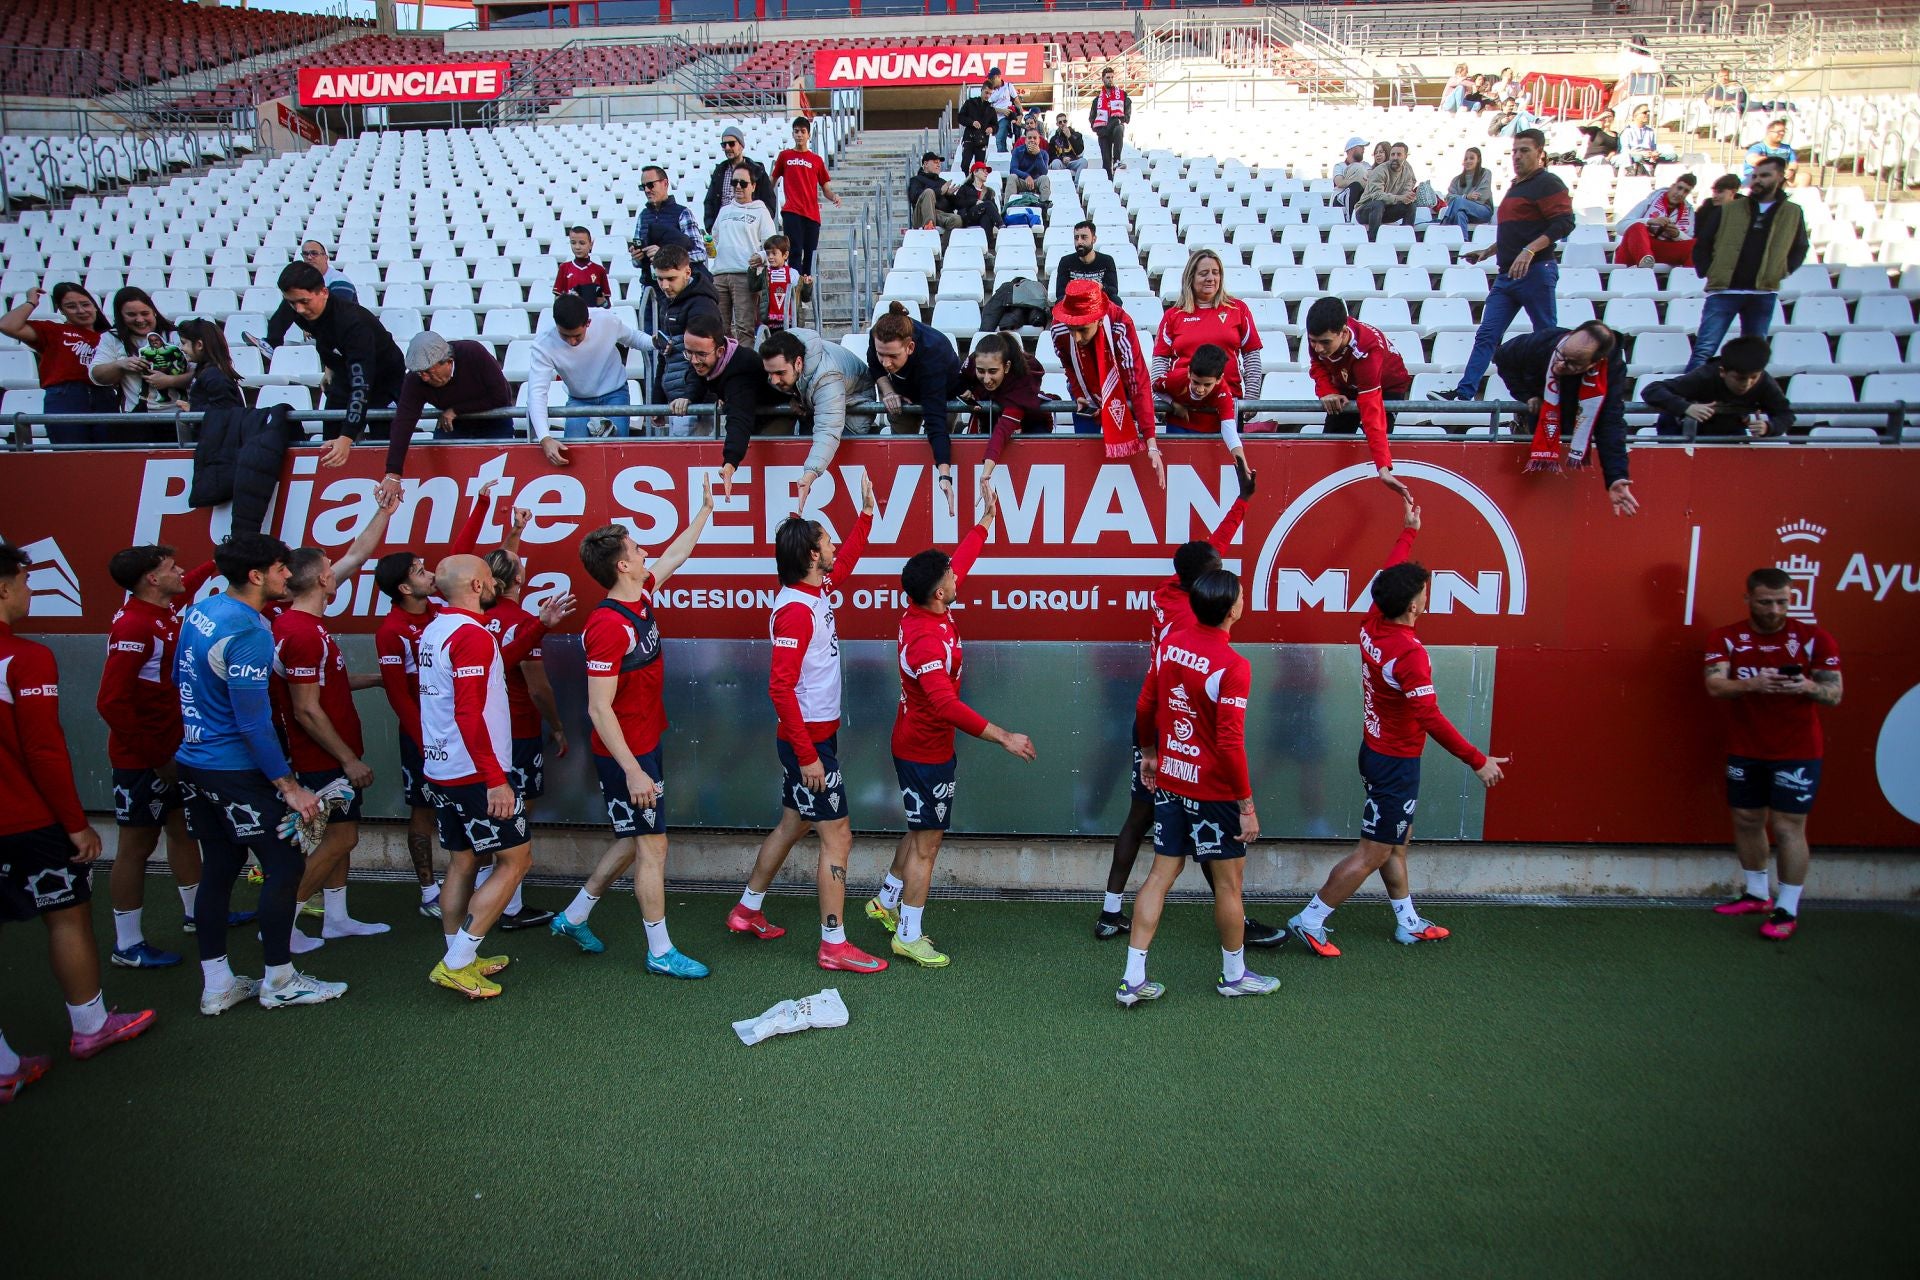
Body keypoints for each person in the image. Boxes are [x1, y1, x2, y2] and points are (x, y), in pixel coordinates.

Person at [1287, 498, 1508, 959]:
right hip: (1395, 763)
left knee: (1394, 843)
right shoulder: (1409, 654)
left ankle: (1408, 922)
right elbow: (1429, 717)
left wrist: (1408, 532)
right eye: (1424, 592)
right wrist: (1477, 760)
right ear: (1412, 604)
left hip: (1379, 752)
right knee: (1373, 851)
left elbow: (1387, 572)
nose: (1427, 596)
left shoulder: (1373, 620)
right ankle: (1310, 920)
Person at [1096, 460, 1279, 947]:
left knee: (1151, 824)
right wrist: (1156, 746)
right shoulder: (1187, 620)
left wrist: (1243, 501)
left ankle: (1114, 911)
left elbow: (1211, 547)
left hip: (1160, 727)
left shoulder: (1174, 585)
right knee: (1173, 825)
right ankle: (1123, 911)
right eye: (1217, 575)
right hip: (1175, 729)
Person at [0, 541, 156, 1101]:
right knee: (66, 918)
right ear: (3, 588)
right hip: (28, 822)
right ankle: (90, 1027)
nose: (28, 592)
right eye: (23, 581)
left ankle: (3, 1064)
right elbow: (43, 749)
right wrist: (76, 824)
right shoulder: (25, 657)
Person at [862, 491, 1035, 968]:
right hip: (924, 752)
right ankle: (909, 935)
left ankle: (885, 901)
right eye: (951, 578)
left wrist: (984, 522)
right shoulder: (923, 639)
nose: (959, 576)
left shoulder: (929, 609)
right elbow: (944, 704)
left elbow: (959, 561)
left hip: (921, 747)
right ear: (939, 592)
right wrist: (1004, 737)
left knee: (921, 829)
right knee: (929, 844)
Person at [173, 532, 339, 1013]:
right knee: (285, 865)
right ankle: (280, 981)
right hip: (234, 770)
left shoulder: (202, 609)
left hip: (195, 761)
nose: (289, 576)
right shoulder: (248, 631)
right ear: (256, 575)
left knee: (220, 869)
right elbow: (252, 719)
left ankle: (218, 984)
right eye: (282, 568)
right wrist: (287, 785)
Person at [726, 476, 888, 973]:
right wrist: (809, 756)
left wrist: (866, 515)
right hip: (809, 744)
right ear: (812, 556)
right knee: (838, 837)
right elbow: (780, 689)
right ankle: (833, 944)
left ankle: (746, 910)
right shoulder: (796, 611)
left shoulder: (815, 592)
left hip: (814, 739)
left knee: (794, 823)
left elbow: (851, 559)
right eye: (828, 540)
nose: (835, 545)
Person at [549, 496, 715, 972]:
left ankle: (574, 915)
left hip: (645, 745)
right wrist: (633, 771)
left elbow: (675, 556)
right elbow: (598, 709)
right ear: (623, 564)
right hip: (627, 757)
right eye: (639, 549)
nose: (647, 554)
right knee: (652, 844)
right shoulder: (607, 626)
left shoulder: (640, 596)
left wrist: (705, 510)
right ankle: (661, 952)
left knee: (633, 837)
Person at [418, 553, 573, 999]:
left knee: (465, 860)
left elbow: (491, 665)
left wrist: (539, 625)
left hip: (444, 768)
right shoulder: (468, 635)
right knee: (517, 859)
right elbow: (468, 713)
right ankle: (457, 961)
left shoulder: (440, 629)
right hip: (473, 773)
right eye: (487, 578)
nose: (493, 584)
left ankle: (457, 956)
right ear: (475, 586)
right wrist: (495, 779)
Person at [1121, 567, 1277, 1005]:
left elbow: (1145, 703)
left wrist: (1150, 752)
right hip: (1214, 792)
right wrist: (1246, 803)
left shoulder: (1171, 644)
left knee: (1159, 874)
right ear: (1232, 610)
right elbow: (1229, 744)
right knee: (1228, 887)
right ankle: (1234, 976)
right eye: (1242, 596)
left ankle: (1133, 979)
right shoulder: (1234, 665)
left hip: (1172, 779)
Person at [269, 498, 400, 952]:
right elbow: (306, 709)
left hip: (331, 753)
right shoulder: (302, 633)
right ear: (324, 579)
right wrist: (348, 759)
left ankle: (337, 918)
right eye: (331, 565)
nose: (337, 568)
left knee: (338, 840)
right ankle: (282, 923)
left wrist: (383, 679)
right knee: (342, 835)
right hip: (322, 758)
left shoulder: (304, 623)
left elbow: (358, 553)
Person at [370, 491, 494, 919]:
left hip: (458, 732)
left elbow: (458, 559)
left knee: (463, 828)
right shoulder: (392, 630)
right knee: (423, 812)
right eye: (421, 571)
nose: (431, 575)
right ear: (405, 587)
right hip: (426, 737)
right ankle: (427, 890)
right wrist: (427, 743)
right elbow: (397, 694)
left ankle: (469, 888)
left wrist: (480, 505)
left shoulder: (442, 611)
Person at [1702, 567, 1843, 941]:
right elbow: (1715, 685)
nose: (1775, 609)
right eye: (1766, 602)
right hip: (1746, 747)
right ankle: (1756, 893)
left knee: (1787, 826)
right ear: (1748, 599)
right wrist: (1752, 683)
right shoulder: (1727, 637)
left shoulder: (1814, 639)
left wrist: (1806, 685)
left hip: (1797, 750)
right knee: (1747, 818)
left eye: (1782, 601)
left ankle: (1787, 908)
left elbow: (1834, 694)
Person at [97, 545, 220, 969]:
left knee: (182, 831)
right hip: (142, 760)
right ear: (152, 578)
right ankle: (127, 945)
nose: (181, 571)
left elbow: (190, 587)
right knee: (135, 845)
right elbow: (111, 702)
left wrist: (221, 560)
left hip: (173, 752)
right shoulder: (134, 625)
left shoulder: (163, 612)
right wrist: (155, 757)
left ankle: (196, 915)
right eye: (172, 567)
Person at [1432, 130, 1574, 403]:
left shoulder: (1548, 183)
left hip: (1536, 270)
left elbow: (1564, 223)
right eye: (1515, 151)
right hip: (1508, 273)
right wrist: (1488, 251)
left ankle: (1552, 396)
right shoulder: (1517, 186)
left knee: (1546, 337)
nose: (1518, 156)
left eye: (1525, 151)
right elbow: (1516, 231)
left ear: (1540, 153)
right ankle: (1464, 394)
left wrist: (1530, 250)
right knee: (1487, 334)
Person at [476, 535, 562, 934]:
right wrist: (558, 727)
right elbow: (539, 687)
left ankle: (481, 900)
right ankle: (507, 907)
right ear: (517, 578)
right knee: (515, 817)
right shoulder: (521, 624)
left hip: (481, 733)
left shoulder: (471, 617)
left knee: (491, 816)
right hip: (518, 731)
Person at [1493, 321, 1637, 513]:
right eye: (1562, 356)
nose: (1561, 365)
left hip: (1577, 423)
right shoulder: (1542, 342)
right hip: (1542, 418)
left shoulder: (1611, 371)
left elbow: (1610, 422)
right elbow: (1502, 358)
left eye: (1572, 363)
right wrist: (1526, 395)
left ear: (1594, 363)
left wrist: (1616, 476)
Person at [275, 261, 407, 469]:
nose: (299, 309)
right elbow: (326, 339)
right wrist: (330, 366)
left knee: (383, 439)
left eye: (304, 301)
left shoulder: (354, 323)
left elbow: (362, 384)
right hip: (344, 371)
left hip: (384, 378)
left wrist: (347, 437)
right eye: (292, 303)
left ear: (324, 292)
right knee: (331, 433)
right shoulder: (299, 310)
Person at [1687, 154, 1808, 371]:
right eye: (1755, 176)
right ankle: (1687, 401)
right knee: (1704, 349)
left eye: (1765, 175)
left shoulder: (1793, 212)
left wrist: (1782, 270)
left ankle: (1746, 402)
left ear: (1780, 177)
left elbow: (1800, 247)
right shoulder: (1729, 209)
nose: (1758, 180)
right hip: (1724, 290)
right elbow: (1703, 243)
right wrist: (1709, 270)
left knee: (1754, 354)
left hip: (1763, 292)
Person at [372, 332, 514, 499]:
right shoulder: (415, 379)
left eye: (428, 371)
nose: (424, 377)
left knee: (498, 480)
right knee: (445, 478)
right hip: (453, 425)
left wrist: (456, 410)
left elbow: (501, 397)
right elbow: (404, 421)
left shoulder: (473, 353)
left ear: (448, 362)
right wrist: (393, 473)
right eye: (419, 373)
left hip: (494, 421)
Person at [1053, 280, 1164, 484]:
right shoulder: (1059, 328)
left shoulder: (1121, 324)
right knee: (1086, 454)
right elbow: (1068, 364)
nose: (1076, 338)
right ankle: (1085, 486)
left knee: (1131, 447)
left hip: (1121, 389)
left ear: (1098, 319)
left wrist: (1151, 442)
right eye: (1072, 329)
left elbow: (1137, 380)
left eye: (1083, 330)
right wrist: (1079, 393)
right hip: (1085, 388)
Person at [1304, 296, 1412, 496]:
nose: (1318, 348)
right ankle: (1331, 495)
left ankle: (1377, 486)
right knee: (1332, 443)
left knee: (1378, 437)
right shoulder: (1320, 336)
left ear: (1343, 333)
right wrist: (1327, 391)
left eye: (1324, 342)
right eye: (1313, 341)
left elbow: (1372, 409)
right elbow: (1317, 364)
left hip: (1386, 387)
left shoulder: (1368, 352)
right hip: (1347, 385)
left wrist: (1383, 466)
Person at [759, 327, 872, 510]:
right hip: (815, 405)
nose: (773, 381)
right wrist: (790, 397)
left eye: (780, 373)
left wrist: (810, 474)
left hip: (853, 414)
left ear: (798, 363)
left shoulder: (827, 377)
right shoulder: (786, 350)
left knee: (828, 469)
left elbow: (828, 430)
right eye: (769, 373)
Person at [868, 303, 963, 506]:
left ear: (910, 347)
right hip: (905, 393)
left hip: (943, 394)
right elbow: (874, 364)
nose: (886, 362)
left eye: (893, 356)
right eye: (881, 354)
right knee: (904, 446)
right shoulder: (878, 335)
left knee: (938, 443)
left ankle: (939, 487)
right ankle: (907, 498)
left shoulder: (933, 352)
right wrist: (888, 391)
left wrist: (945, 475)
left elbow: (935, 421)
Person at [530, 294, 648, 456]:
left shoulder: (605, 320)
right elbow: (537, 393)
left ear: (588, 323)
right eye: (565, 336)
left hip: (615, 393)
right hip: (578, 399)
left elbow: (633, 337)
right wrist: (545, 438)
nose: (572, 342)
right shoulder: (543, 344)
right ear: (556, 326)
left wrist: (655, 343)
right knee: (573, 454)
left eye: (577, 336)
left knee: (617, 455)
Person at [672, 313, 774, 491]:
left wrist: (730, 462)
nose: (694, 360)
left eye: (700, 354)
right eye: (689, 353)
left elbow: (739, 418)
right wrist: (689, 396)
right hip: (747, 413)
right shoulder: (704, 355)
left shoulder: (741, 369)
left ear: (720, 351)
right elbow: (696, 376)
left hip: (775, 415)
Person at [0, 284, 118, 437]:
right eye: (71, 306)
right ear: (61, 311)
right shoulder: (54, 331)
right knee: (69, 454)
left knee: (108, 454)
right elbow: (7, 325)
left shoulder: (109, 338)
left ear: (95, 306)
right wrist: (31, 302)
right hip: (66, 396)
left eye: (85, 304)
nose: (81, 311)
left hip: (104, 396)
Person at [1152, 248, 1264, 399]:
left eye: (1215, 272)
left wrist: (1251, 397)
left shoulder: (1238, 309)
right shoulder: (1173, 316)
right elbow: (1160, 362)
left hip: (1227, 404)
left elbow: (1252, 356)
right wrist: (1161, 401)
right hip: (1182, 407)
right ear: (1190, 277)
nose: (1211, 278)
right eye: (1204, 273)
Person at [1644, 335, 1794, 438]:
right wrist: (1686, 407)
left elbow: (1786, 415)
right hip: (1682, 431)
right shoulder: (1705, 376)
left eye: (1754, 377)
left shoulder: (1765, 382)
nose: (1747, 384)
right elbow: (1652, 390)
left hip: (1730, 431)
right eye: (1740, 378)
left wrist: (1769, 427)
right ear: (1723, 372)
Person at [957, 331, 1050, 483]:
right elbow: (956, 382)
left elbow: (1002, 431)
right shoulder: (973, 362)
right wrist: (965, 392)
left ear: (1006, 367)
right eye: (981, 371)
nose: (986, 379)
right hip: (988, 417)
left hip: (1030, 423)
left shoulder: (1023, 381)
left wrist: (985, 474)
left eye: (993, 371)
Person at [650, 245, 723, 437]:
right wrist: (657, 402)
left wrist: (689, 397)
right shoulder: (670, 302)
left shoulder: (702, 306)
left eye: (671, 279)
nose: (665, 285)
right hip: (679, 401)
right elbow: (665, 354)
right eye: (660, 279)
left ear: (687, 272)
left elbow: (703, 357)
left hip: (697, 404)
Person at [88, 286, 190, 420]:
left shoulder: (175, 335)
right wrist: (120, 365)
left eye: (145, 313)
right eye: (131, 315)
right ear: (120, 316)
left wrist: (170, 380)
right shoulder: (112, 338)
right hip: (138, 416)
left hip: (182, 414)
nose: (140, 320)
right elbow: (96, 376)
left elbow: (201, 372)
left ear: (154, 311)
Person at [710, 163, 779, 343]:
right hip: (719, 274)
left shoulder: (761, 211)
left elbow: (773, 244)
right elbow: (714, 240)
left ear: (753, 186)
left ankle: (746, 368)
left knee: (744, 327)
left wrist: (762, 257)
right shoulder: (724, 210)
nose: (738, 186)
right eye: (734, 182)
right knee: (719, 328)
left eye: (743, 183)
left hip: (744, 275)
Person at [772, 116, 839, 285]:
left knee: (810, 253)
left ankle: (806, 290)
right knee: (794, 251)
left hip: (812, 214)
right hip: (791, 211)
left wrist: (834, 197)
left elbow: (825, 187)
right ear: (792, 134)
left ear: (809, 135)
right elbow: (772, 180)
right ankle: (795, 288)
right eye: (796, 131)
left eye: (803, 131)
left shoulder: (816, 160)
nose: (799, 135)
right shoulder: (785, 156)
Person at [1153, 343, 1243, 466]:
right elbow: (1155, 389)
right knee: (1177, 467)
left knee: (1204, 466)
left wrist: (1243, 465)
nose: (1200, 390)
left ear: (1219, 379)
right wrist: (1173, 403)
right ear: (1189, 372)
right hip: (1179, 425)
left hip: (1209, 431)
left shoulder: (1223, 392)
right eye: (1196, 382)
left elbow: (1230, 431)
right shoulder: (1175, 378)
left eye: (1207, 385)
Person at [262, 241, 358, 348]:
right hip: (323, 329)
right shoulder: (306, 283)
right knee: (291, 300)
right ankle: (272, 343)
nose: (309, 257)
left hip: (345, 332)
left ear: (325, 258)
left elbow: (339, 313)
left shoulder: (338, 280)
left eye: (314, 253)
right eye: (305, 254)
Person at [630, 165, 707, 284]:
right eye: (643, 186)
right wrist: (636, 257)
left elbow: (700, 253)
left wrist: (665, 256)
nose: (646, 190)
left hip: (679, 289)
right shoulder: (642, 216)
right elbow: (637, 263)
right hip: (651, 286)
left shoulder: (683, 213)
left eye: (650, 185)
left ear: (665, 183)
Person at [1614, 173, 1698, 268]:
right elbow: (1620, 227)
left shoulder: (1689, 211)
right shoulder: (1649, 202)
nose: (1680, 194)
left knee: (1696, 245)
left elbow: (1689, 239)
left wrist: (1677, 234)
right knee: (1638, 226)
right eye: (1679, 188)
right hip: (1634, 250)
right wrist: (1649, 221)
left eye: (1686, 191)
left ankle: (1689, 279)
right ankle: (1645, 263)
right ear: (1672, 186)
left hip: (1661, 250)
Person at [702, 124, 777, 231]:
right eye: (724, 145)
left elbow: (769, 202)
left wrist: (759, 224)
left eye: (731, 144)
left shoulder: (757, 170)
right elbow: (709, 201)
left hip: (748, 228)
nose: (727, 147)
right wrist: (711, 227)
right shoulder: (719, 171)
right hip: (723, 226)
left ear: (741, 146)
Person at [1355, 141, 1419, 241]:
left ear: (1405, 157)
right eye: (1392, 154)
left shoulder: (1407, 170)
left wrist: (1408, 197)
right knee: (1378, 204)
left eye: (1399, 154)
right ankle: (1373, 241)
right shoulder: (1380, 170)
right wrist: (1399, 198)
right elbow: (1376, 195)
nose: (1395, 157)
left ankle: (1406, 239)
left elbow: (1408, 188)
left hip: (1387, 210)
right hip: (1365, 210)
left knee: (1411, 205)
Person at [177, 319, 244, 412]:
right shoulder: (207, 371)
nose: (182, 348)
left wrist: (192, 409)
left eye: (184, 343)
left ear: (199, 345)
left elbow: (225, 411)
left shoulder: (213, 375)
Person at [1053, 220, 1120, 302]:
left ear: (1094, 239)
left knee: (1116, 300)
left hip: (1099, 302)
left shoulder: (1107, 261)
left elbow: (1113, 290)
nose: (1079, 242)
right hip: (1074, 303)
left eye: (1084, 237)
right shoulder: (1066, 262)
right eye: (1076, 238)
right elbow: (1060, 293)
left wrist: (1101, 287)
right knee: (1059, 302)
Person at [552, 226, 612, 309]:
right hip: (572, 318)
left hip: (593, 317)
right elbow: (557, 300)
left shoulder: (599, 270)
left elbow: (607, 304)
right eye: (573, 243)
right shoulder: (564, 268)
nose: (577, 247)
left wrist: (603, 302)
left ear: (590, 245)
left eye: (582, 243)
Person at [1089, 66, 1132, 178]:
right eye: (1108, 77)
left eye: (1112, 77)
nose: (1110, 79)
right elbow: (1092, 119)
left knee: (1119, 127)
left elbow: (1127, 115)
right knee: (1106, 163)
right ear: (1102, 79)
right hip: (1103, 132)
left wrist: (1120, 119)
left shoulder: (1122, 95)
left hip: (1115, 130)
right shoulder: (1097, 100)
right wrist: (1099, 130)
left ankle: (1117, 160)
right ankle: (1109, 184)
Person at [1442, 147, 1495, 232]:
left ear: (1478, 160)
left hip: (1483, 211)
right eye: (1466, 159)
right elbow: (1449, 198)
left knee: (1459, 201)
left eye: (1471, 158)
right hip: (1462, 212)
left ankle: (1445, 223)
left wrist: (1463, 199)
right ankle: (1464, 242)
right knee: (1459, 214)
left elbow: (1482, 195)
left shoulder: (1486, 173)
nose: (1468, 161)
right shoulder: (1456, 180)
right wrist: (1466, 197)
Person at [908, 151, 961, 232]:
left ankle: (942, 244)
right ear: (925, 164)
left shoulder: (942, 181)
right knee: (928, 192)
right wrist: (939, 192)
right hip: (922, 215)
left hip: (939, 214)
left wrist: (949, 195)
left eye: (939, 163)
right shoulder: (916, 180)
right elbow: (914, 196)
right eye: (935, 162)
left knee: (957, 220)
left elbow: (952, 207)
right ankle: (929, 225)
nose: (939, 165)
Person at [953, 163, 1002, 247]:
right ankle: (1001, 226)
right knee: (988, 204)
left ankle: (986, 244)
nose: (986, 173)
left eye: (987, 172)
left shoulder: (989, 191)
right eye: (983, 171)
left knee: (986, 216)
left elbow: (995, 209)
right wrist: (975, 201)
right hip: (968, 216)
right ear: (975, 172)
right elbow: (958, 203)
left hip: (982, 218)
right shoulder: (965, 188)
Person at [1006, 126, 1052, 208]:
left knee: (1045, 178)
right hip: (1021, 181)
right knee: (1012, 177)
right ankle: (1008, 207)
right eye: (1029, 138)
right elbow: (1013, 169)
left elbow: (1044, 172)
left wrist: (1038, 155)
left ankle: (1044, 209)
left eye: (1035, 138)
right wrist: (1026, 176)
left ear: (1039, 140)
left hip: (1036, 182)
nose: (1032, 140)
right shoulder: (1017, 151)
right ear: (1025, 140)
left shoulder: (1044, 154)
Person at [762, 235, 799, 333]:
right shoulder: (764, 273)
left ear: (785, 255)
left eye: (774, 254)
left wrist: (808, 285)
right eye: (768, 254)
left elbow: (801, 292)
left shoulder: (792, 273)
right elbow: (754, 286)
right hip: (769, 318)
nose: (770, 257)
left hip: (789, 319)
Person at [1743, 118, 1795, 184]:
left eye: (1783, 131)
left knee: (1804, 177)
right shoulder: (1757, 147)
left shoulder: (1787, 148)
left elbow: (1793, 163)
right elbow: (1752, 160)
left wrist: (1791, 170)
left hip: (1779, 177)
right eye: (1779, 131)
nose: (1782, 134)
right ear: (1769, 132)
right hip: (1756, 176)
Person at [958, 88, 997, 174]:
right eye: (986, 93)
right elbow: (960, 118)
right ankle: (966, 184)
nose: (988, 96)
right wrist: (972, 122)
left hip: (981, 140)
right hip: (969, 138)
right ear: (981, 90)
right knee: (965, 164)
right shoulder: (969, 103)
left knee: (980, 167)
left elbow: (996, 125)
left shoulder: (991, 109)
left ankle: (976, 185)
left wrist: (992, 129)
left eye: (990, 94)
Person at [1331, 137, 1370, 220]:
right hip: (1340, 199)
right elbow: (1339, 183)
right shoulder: (1339, 166)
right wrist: (1358, 179)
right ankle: (1350, 218)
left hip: (1361, 197)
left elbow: (1372, 180)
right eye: (1362, 147)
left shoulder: (1366, 165)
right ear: (1353, 149)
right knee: (1356, 185)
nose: (1364, 150)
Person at [984, 66, 1021, 154]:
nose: (990, 80)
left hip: (1007, 117)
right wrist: (1001, 110)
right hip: (995, 119)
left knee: (1000, 140)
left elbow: (1017, 102)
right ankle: (1006, 159)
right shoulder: (989, 90)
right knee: (1000, 142)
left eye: (991, 78)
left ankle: (1005, 160)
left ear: (997, 77)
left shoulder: (1008, 86)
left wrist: (1020, 115)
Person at [1617, 104, 1662, 174]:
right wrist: (1641, 153)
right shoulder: (1628, 131)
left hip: (1648, 156)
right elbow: (1625, 151)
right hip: (1634, 155)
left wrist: (1654, 153)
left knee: (1672, 156)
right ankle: (1632, 173)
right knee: (1638, 157)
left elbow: (1653, 148)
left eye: (1648, 112)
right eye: (1644, 112)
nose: (1647, 114)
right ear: (1635, 115)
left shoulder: (1650, 131)